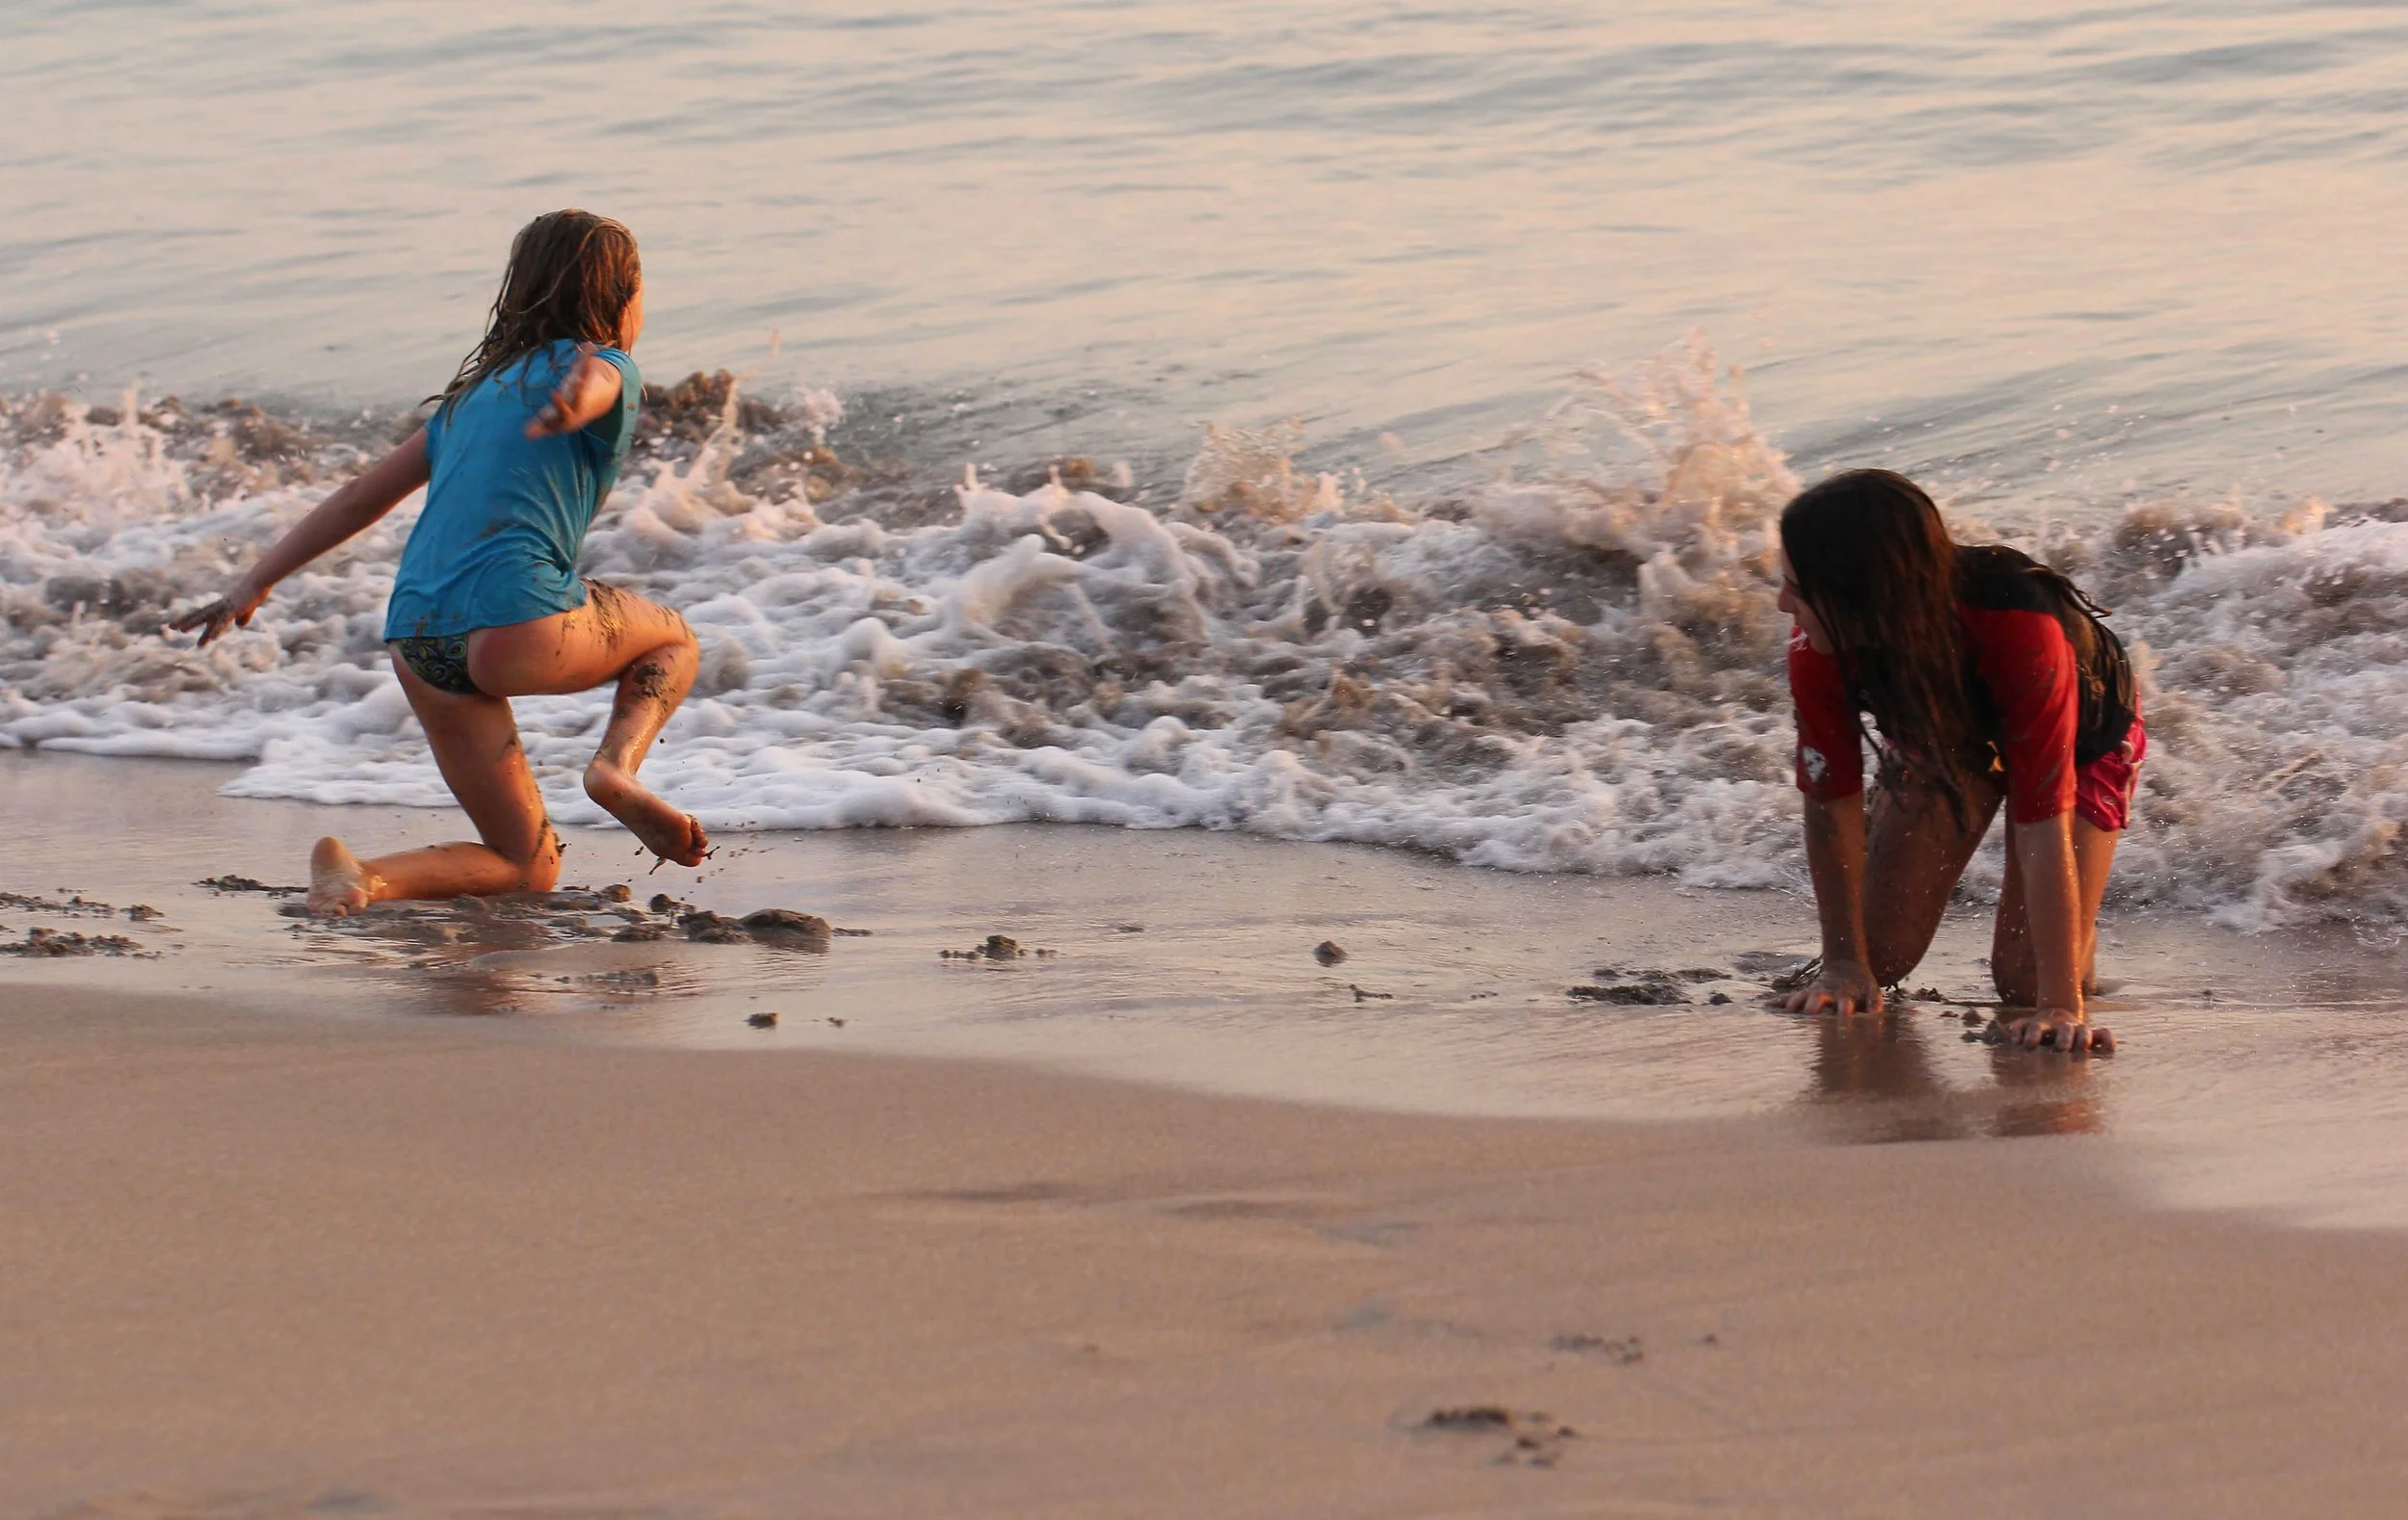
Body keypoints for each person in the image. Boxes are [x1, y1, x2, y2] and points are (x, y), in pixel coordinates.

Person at [172, 209, 710, 917]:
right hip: (519, 619)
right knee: (673, 637)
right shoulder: (605, 366)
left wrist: (254, 582)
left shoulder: (466, 401)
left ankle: (360, 878)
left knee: (527, 864)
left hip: (420, 643)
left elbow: (358, 497)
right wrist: (579, 401)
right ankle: (615, 769)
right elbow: (602, 388)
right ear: (622, 293)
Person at [1773, 469, 2141, 1054]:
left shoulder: (2023, 629)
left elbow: (2040, 822)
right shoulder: (1816, 649)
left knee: (2026, 982)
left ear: (1860, 596)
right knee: (1879, 955)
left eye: (1797, 586)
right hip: (1942, 736)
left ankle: (2079, 948)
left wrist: (2061, 1004)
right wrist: (1844, 963)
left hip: (2083, 742)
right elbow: (1829, 801)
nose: (1782, 602)